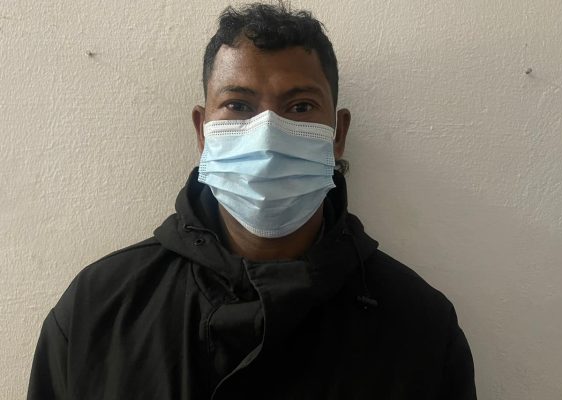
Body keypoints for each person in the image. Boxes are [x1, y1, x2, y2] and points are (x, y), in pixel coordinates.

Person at [27, 3, 476, 399]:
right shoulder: (97, 310)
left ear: (338, 133)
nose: (267, 135)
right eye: (239, 106)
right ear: (203, 131)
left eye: (300, 107)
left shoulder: (419, 327)